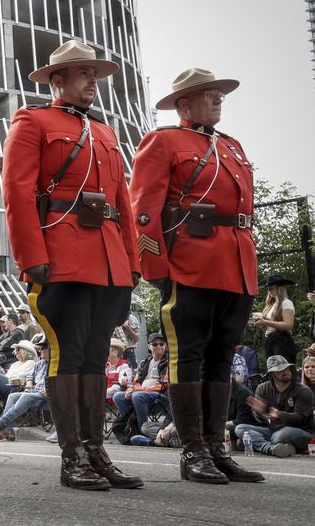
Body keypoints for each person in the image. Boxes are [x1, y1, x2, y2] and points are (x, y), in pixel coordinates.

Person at [2, 39, 143, 490]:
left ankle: (96, 451)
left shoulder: (105, 132)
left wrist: (131, 261)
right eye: (83, 73)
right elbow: (17, 192)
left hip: (107, 259)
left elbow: (121, 200)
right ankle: (73, 457)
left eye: (95, 74)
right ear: (58, 79)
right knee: (69, 353)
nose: (92, 82)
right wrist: (32, 255)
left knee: (95, 356)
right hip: (61, 254)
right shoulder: (33, 120)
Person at [129, 67, 263, 484]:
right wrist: (156, 269)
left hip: (236, 263)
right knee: (187, 356)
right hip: (191, 263)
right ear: (184, 104)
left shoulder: (232, 146)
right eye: (208, 94)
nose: (217, 98)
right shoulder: (163, 141)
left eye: (219, 93)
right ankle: (192, 452)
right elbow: (144, 211)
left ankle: (216, 448)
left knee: (222, 355)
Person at [236, 356, 314, 457]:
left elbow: (301, 418)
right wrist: (261, 412)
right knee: (241, 428)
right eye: (280, 370)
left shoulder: (303, 390)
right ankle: (270, 448)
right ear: (271, 374)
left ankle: (256, 444)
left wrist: (279, 415)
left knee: (280, 436)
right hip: (272, 430)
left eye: (287, 368)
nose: (285, 371)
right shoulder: (262, 389)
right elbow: (260, 419)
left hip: (300, 431)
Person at [0, 334, 52, 440]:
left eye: (43, 348)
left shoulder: (55, 364)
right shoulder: (39, 364)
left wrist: (48, 389)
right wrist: (30, 382)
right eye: (40, 348)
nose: (40, 350)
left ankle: (1, 423)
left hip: (47, 395)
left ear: (50, 350)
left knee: (25, 396)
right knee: (12, 396)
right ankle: (8, 430)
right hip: (35, 392)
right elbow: (30, 377)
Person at [112, 333, 170, 435]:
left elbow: (163, 386)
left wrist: (139, 390)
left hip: (160, 397)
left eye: (161, 344)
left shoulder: (168, 363)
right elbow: (136, 381)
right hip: (143, 394)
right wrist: (133, 388)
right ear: (149, 346)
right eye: (155, 344)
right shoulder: (144, 362)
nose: (159, 346)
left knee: (137, 396)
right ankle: (130, 426)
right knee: (118, 396)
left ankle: (142, 431)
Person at [0, 341, 37, 422]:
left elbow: (22, 378)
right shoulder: (15, 364)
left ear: (25, 351)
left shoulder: (30, 363)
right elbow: (7, 377)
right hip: (7, 387)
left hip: (18, 388)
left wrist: (7, 378)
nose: (15, 352)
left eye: (18, 350)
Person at [253, 274, 297, 364]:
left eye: (271, 288)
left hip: (282, 340)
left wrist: (266, 322)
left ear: (279, 288)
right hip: (269, 340)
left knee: (282, 370)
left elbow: (288, 325)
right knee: (272, 371)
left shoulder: (286, 303)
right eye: (268, 289)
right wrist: (261, 323)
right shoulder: (271, 305)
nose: (269, 291)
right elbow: (269, 326)